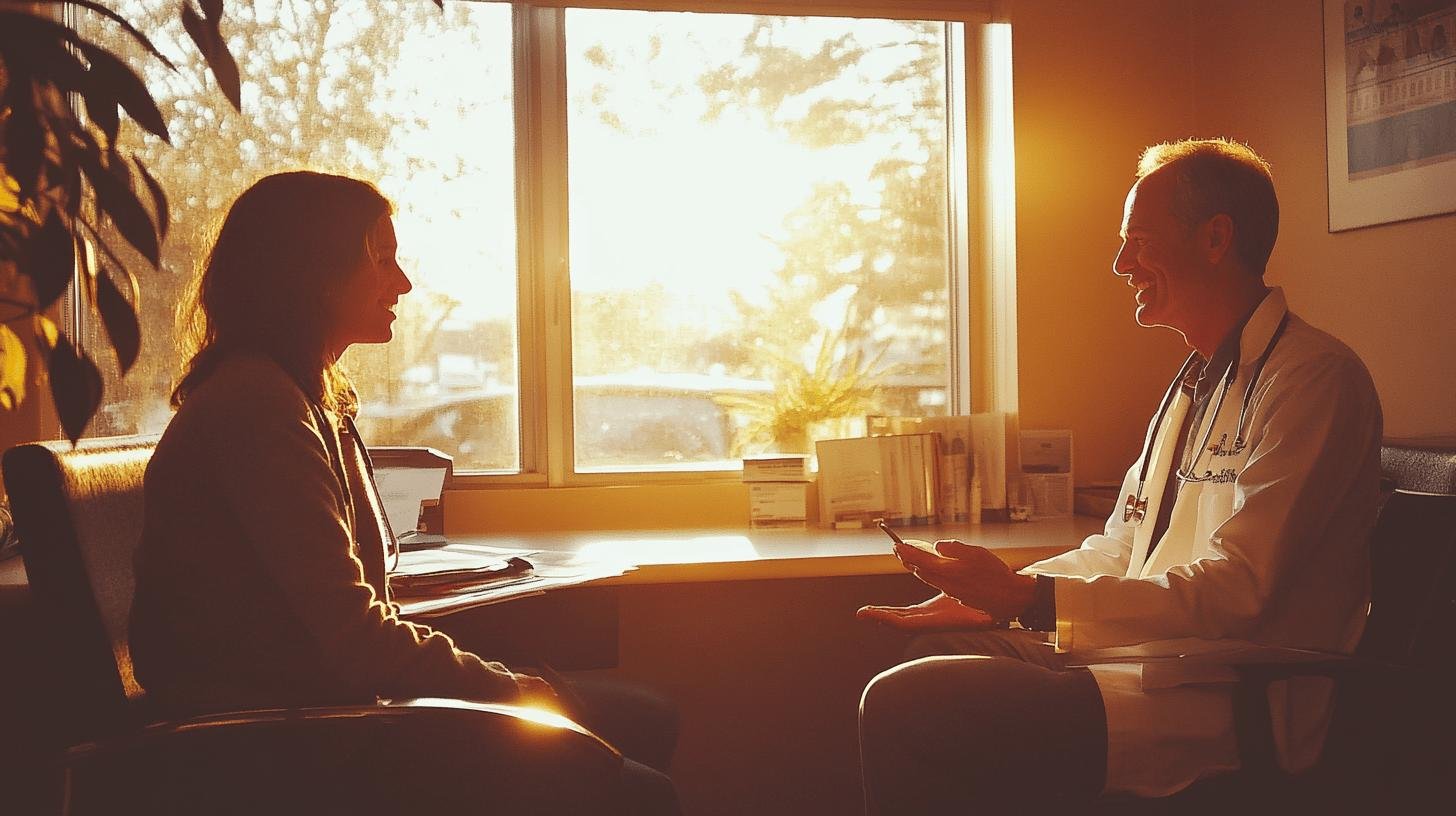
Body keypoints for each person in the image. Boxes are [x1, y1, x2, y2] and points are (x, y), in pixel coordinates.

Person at [856, 139, 1383, 811]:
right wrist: (1007, 595)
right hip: (1141, 663)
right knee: (915, 658)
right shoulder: (1196, 382)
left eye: (1138, 240)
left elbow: (1239, 591)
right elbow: (1121, 547)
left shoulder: (1313, 380)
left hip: (1225, 699)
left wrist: (1030, 603)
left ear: (1216, 238)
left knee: (910, 703)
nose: (1120, 263)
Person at [129, 171, 678, 813]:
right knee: (642, 783)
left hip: (322, 709)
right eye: (382, 260)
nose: (403, 283)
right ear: (313, 275)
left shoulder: (296, 394)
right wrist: (509, 689)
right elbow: (355, 639)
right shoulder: (259, 406)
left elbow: (333, 604)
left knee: (645, 716)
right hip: (292, 739)